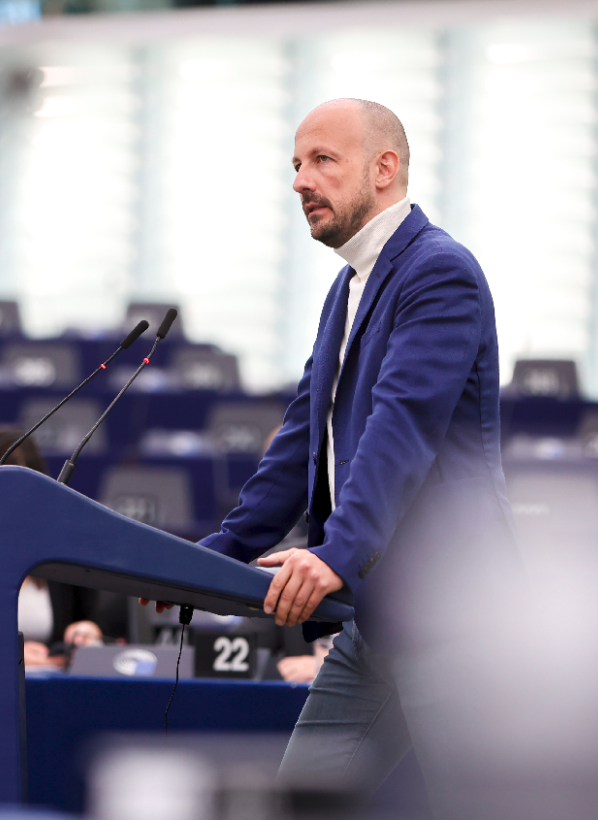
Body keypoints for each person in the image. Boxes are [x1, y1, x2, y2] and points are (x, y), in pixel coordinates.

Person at [143, 99, 517, 814]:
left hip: (456, 616)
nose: (300, 181)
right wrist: (213, 559)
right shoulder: (348, 288)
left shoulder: (440, 273)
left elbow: (400, 429)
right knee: (298, 805)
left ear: (384, 168)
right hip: (377, 619)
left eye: (322, 160)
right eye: (296, 164)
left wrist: (336, 554)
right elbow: (299, 445)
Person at [0, 428, 115, 667]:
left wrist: (87, 632)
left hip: (52, 683)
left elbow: (96, 622)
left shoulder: (62, 550)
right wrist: (10, 654)